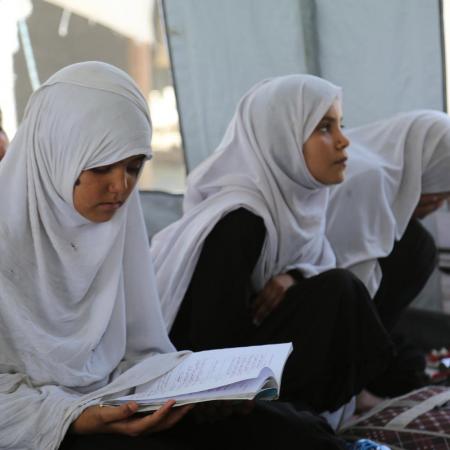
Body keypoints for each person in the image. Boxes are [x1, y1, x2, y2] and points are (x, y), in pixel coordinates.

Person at [0, 62, 349, 450]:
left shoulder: (114, 228)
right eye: (101, 167)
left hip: (117, 402)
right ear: (54, 156)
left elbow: (139, 355)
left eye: (134, 167)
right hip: (42, 430)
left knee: (296, 433)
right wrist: (74, 417)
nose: (121, 187)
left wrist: (199, 390)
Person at [151, 74, 394, 424]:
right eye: (324, 128)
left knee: (340, 292)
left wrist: (296, 276)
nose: (343, 142)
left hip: (252, 365)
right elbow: (210, 344)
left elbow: (317, 263)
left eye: (340, 125)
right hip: (209, 389)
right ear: (283, 138)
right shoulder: (242, 220)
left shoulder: (298, 202)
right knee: (341, 291)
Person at [326, 110, 450, 396]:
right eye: (440, 190)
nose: (438, 203)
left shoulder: (369, 163)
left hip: (340, 325)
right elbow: (351, 297)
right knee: (417, 247)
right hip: (317, 339)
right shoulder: (367, 179)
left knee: (409, 362)